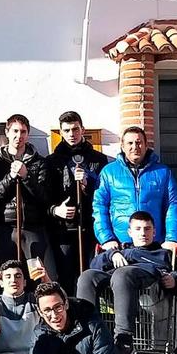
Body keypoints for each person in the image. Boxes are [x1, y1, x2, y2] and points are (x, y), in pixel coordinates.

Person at [75, 210, 177, 354]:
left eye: (147, 229)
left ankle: (124, 339)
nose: (143, 233)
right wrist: (112, 254)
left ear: (154, 231)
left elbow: (160, 267)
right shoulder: (120, 249)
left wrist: (128, 254)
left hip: (144, 285)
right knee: (87, 276)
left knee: (123, 274)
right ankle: (85, 334)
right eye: (138, 229)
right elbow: (94, 264)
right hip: (116, 284)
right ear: (129, 232)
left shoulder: (161, 253)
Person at [93, 126, 177, 258]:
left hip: (155, 246)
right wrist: (106, 239)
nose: (135, 146)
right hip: (120, 246)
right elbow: (99, 207)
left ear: (146, 145)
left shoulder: (163, 172)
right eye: (130, 143)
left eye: (139, 142)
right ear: (122, 146)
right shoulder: (108, 172)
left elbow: (173, 205)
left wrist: (172, 238)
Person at [46, 111, 109, 293]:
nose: (71, 134)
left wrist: (87, 184)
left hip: (89, 227)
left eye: (75, 129)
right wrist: (55, 210)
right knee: (65, 277)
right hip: (63, 230)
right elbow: (45, 196)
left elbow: (104, 194)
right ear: (61, 132)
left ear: (82, 129)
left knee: (90, 276)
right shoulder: (52, 161)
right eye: (66, 131)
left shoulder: (98, 159)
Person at [0, 114, 52, 263]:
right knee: (9, 275)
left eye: (23, 132)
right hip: (6, 228)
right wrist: (10, 177)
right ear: (7, 132)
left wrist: (26, 177)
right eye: (15, 131)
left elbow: (44, 197)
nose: (19, 136)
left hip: (33, 228)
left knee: (35, 275)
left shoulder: (39, 163)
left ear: (28, 134)